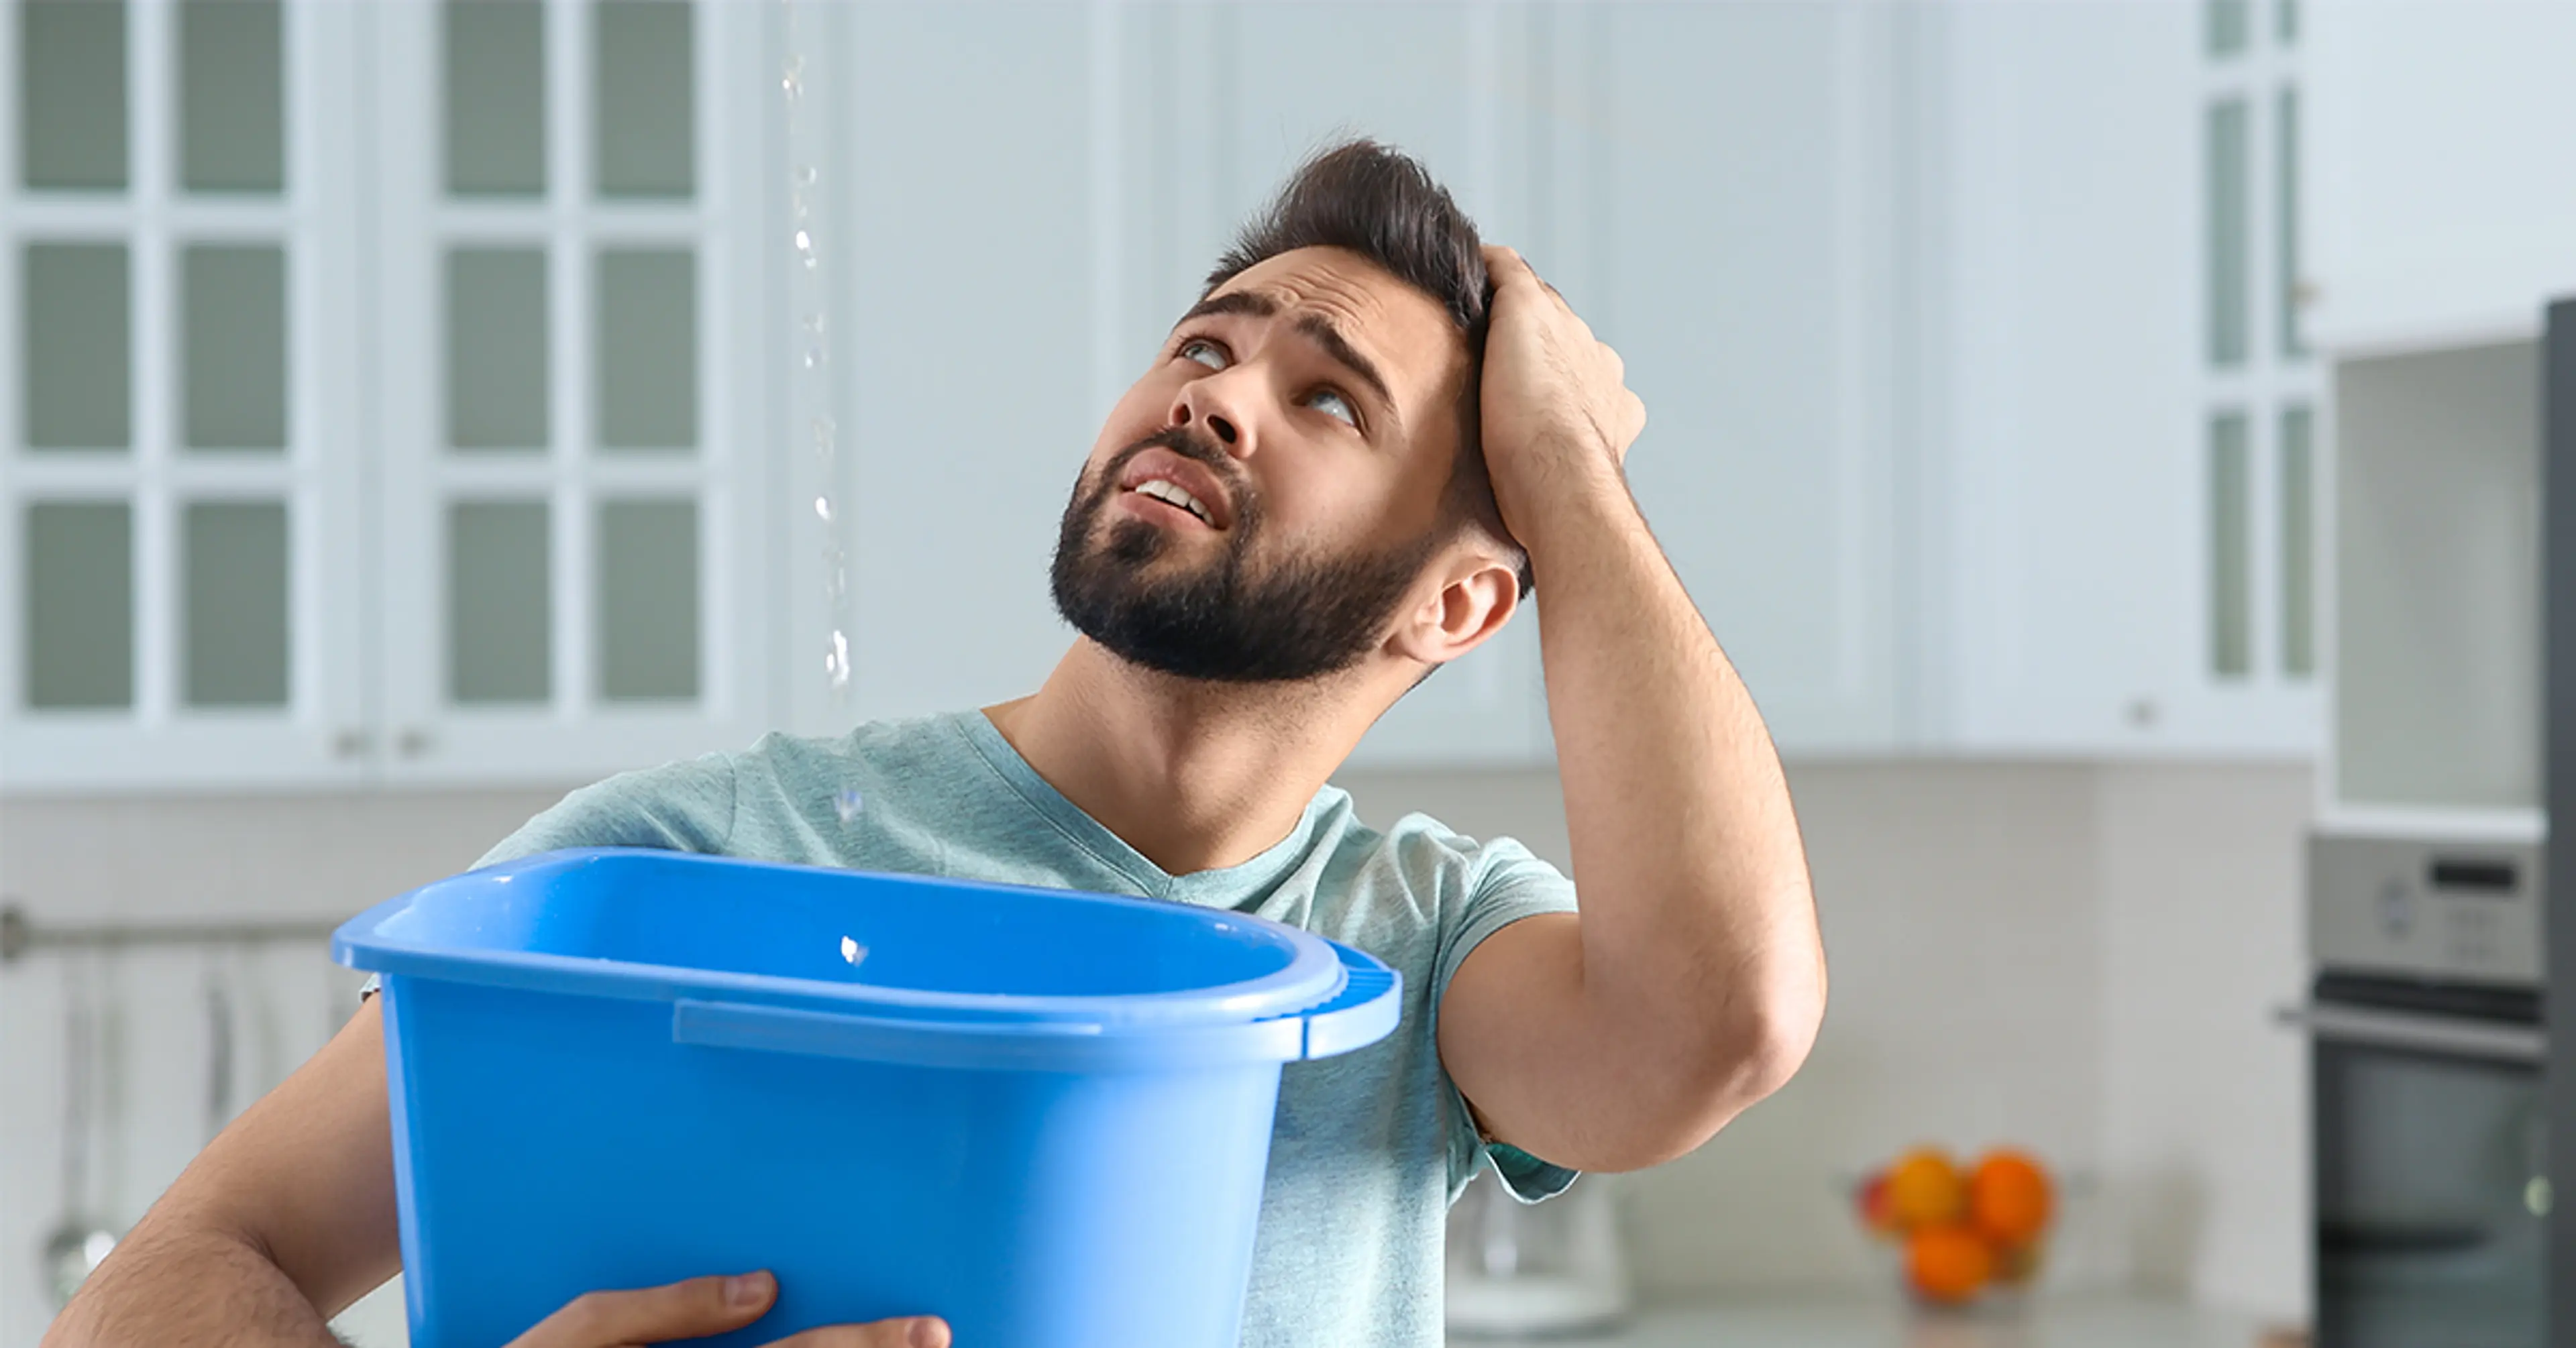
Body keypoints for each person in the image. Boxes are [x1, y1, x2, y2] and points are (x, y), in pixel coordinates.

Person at [46, 139, 1825, 1348]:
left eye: (1326, 398)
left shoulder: (1422, 951)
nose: (1212, 389)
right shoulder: (694, 861)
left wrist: (1566, 467)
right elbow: (169, 1280)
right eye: (1206, 343)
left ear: (1457, 611)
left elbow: (1715, 1024)